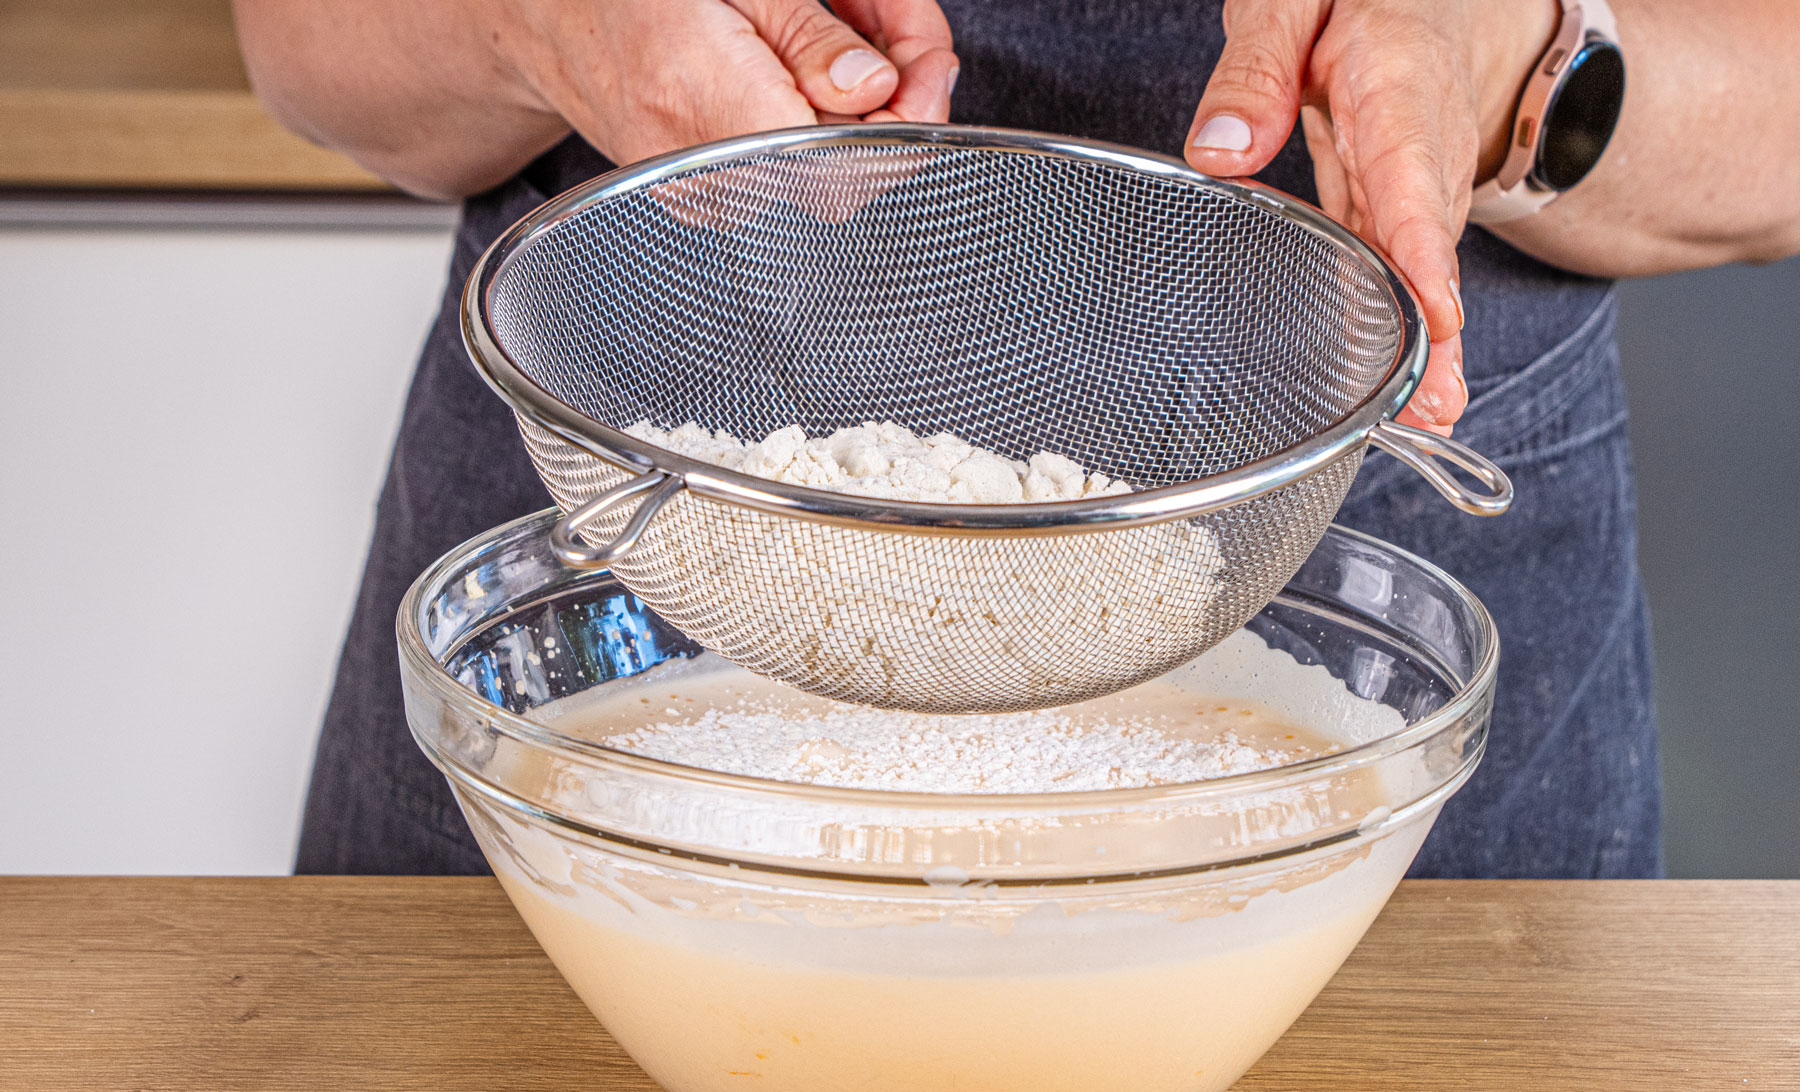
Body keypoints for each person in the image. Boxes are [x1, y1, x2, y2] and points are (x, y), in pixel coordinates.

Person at [233, 0, 1800, 876]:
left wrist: (1526, 65)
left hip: (1372, 568)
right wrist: (545, 22)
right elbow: (308, 51)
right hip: (633, 550)